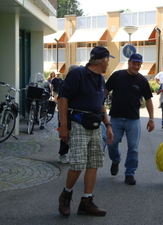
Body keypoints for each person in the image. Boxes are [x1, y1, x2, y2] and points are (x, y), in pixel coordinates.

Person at [58, 46, 114, 217]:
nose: (108, 63)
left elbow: (101, 104)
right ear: (103, 60)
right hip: (79, 123)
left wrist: (108, 125)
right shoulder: (78, 74)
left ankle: (86, 202)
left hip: (96, 125)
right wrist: (64, 126)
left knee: (94, 163)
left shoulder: (101, 78)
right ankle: (66, 196)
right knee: (77, 164)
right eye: (108, 60)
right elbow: (62, 99)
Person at [105, 53, 155, 185]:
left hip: (133, 119)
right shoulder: (117, 75)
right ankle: (116, 160)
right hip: (115, 118)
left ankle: (130, 173)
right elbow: (104, 91)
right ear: (129, 62)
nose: (136, 66)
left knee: (133, 148)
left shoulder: (142, 80)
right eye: (134, 63)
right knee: (112, 143)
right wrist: (99, 107)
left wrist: (151, 119)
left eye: (139, 64)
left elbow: (148, 100)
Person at [57, 65, 79, 164]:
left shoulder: (77, 83)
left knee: (72, 134)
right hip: (66, 112)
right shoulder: (65, 83)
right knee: (65, 134)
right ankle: (63, 154)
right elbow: (60, 99)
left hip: (74, 112)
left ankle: (71, 154)